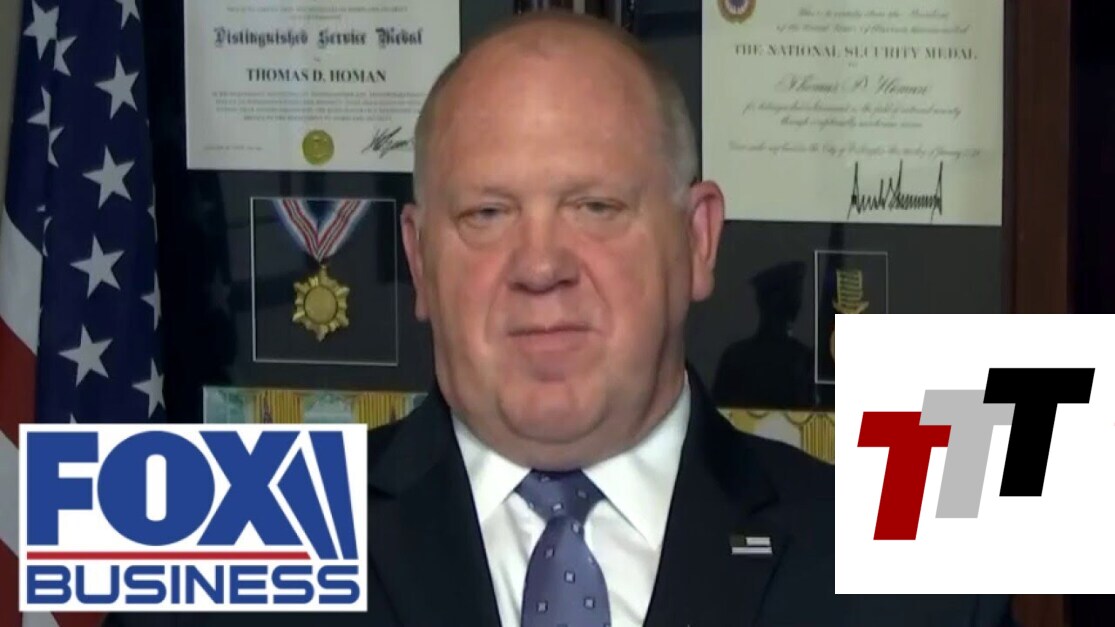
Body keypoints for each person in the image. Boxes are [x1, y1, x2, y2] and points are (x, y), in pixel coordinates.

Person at [106, 10, 1015, 627]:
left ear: (697, 239)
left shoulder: (918, 573)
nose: (540, 266)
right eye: (487, 213)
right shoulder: (218, 558)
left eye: (595, 207)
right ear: (419, 258)